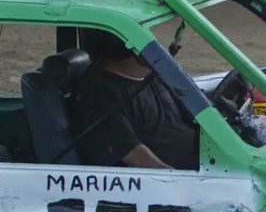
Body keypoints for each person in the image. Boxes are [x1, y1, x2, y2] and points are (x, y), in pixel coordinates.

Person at [72, 29, 198, 170]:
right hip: (177, 182)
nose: (154, 44)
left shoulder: (155, 75)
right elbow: (135, 156)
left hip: (207, 162)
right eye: (142, 36)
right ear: (126, 47)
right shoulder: (98, 95)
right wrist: (180, 184)